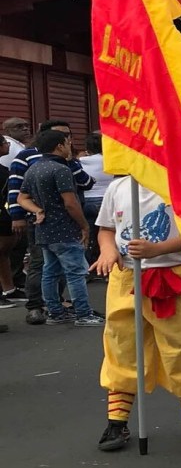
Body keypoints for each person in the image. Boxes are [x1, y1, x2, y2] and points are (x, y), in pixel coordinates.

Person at [90, 177, 181, 451]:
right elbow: (106, 229)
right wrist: (108, 250)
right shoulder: (118, 188)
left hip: (178, 275)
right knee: (122, 347)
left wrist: (159, 249)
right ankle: (117, 422)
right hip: (127, 277)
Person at [6, 119, 94, 324]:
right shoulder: (57, 168)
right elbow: (70, 202)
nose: (70, 143)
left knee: (50, 270)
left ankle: (55, 311)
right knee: (73, 272)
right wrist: (84, 226)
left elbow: (21, 196)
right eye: (66, 139)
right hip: (63, 227)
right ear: (58, 145)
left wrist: (38, 211)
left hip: (44, 229)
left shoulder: (36, 168)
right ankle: (81, 313)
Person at [80, 131, 114, 267]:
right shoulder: (110, 161)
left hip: (86, 201)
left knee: (87, 235)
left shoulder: (80, 162)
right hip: (104, 201)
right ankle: (105, 264)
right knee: (107, 235)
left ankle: (87, 267)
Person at [0, 136, 21, 308]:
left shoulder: (4, 170)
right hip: (4, 216)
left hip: (5, 216)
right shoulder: (4, 172)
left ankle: (9, 288)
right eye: (5, 143)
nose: (8, 145)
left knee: (4, 254)